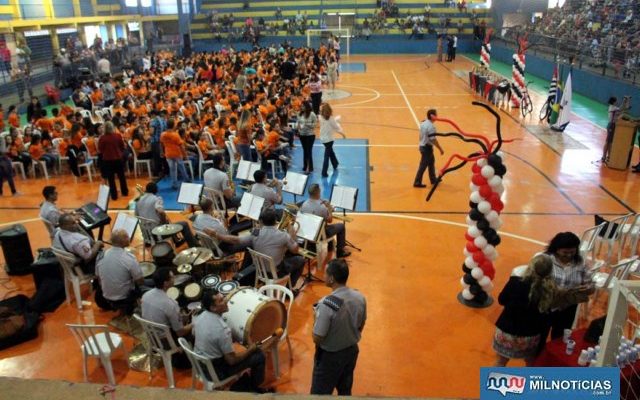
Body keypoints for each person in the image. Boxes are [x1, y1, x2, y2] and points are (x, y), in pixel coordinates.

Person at [193, 289, 279, 393]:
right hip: (216, 371)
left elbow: (194, 333)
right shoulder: (222, 330)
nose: (225, 301)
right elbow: (232, 361)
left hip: (199, 364)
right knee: (259, 355)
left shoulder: (200, 316)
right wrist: (251, 349)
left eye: (223, 298)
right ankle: (254, 388)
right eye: (221, 301)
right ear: (213, 308)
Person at [311, 259, 366, 395]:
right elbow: (361, 324)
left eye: (325, 274)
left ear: (331, 279)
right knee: (345, 390)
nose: (323, 276)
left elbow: (317, 338)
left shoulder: (326, 304)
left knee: (320, 394)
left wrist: (315, 318)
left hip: (330, 357)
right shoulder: (360, 297)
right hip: (351, 351)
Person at [493, 254, 556, 366]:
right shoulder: (549, 289)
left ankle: (496, 382)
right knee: (531, 362)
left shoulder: (515, 282)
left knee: (500, 362)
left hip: (507, 332)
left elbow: (502, 300)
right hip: (530, 335)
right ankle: (529, 383)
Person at [541, 232, 595, 341]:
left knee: (560, 337)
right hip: (546, 305)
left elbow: (590, 284)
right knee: (540, 334)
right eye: (565, 252)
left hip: (567, 307)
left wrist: (589, 288)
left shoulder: (581, 263)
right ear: (556, 249)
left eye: (572, 252)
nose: (569, 255)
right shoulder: (545, 260)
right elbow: (535, 281)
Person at [141, 268, 192, 369]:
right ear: (165, 283)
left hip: (151, 337)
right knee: (193, 331)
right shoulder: (171, 304)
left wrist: (181, 318)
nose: (174, 278)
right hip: (165, 341)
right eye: (172, 277)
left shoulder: (146, 295)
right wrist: (194, 323)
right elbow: (180, 332)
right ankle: (187, 360)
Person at [95, 229, 144, 314]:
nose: (129, 238)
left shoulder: (100, 256)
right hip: (125, 298)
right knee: (148, 284)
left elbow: (99, 279)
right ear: (123, 241)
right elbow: (140, 281)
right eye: (127, 236)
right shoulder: (129, 258)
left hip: (107, 297)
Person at [135, 181, 197, 247]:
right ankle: (194, 245)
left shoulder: (138, 201)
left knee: (166, 221)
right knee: (184, 224)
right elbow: (161, 211)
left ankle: (177, 241)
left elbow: (137, 215)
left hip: (146, 235)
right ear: (156, 191)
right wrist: (164, 223)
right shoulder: (157, 199)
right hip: (158, 233)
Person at [300, 184, 350, 258]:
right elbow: (330, 220)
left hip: (308, 233)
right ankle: (340, 252)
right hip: (319, 235)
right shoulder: (321, 207)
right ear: (318, 192)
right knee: (341, 226)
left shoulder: (304, 204)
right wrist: (329, 207)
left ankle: (326, 245)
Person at [413, 109, 444, 188]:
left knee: (431, 162)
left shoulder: (423, 123)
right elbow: (433, 139)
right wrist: (440, 148)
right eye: (436, 115)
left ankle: (433, 179)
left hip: (423, 146)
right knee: (423, 165)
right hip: (427, 148)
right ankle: (417, 182)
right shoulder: (431, 127)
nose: (437, 117)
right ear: (432, 116)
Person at [98, 121, 128, 200]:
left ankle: (114, 196)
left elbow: (100, 149)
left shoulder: (102, 138)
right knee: (122, 177)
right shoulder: (118, 136)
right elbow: (122, 146)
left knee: (111, 179)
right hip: (118, 158)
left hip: (107, 160)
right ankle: (125, 192)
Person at [161, 118, 190, 190]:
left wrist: (161, 152)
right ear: (173, 125)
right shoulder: (175, 135)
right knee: (181, 168)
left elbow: (161, 144)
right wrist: (185, 155)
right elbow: (181, 146)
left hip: (168, 154)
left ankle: (174, 184)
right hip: (177, 153)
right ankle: (186, 180)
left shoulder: (163, 134)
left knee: (172, 169)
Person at [318, 103, 346, 177]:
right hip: (329, 140)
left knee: (330, 152)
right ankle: (324, 172)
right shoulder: (330, 118)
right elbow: (336, 127)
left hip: (323, 139)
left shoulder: (320, 117)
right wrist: (342, 134)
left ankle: (335, 164)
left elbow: (331, 124)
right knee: (326, 156)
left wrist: (335, 120)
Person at [602, 96, 629, 163]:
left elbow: (621, 109)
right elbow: (622, 108)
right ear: (614, 101)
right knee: (608, 142)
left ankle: (609, 156)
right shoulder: (613, 108)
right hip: (611, 125)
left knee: (610, 142)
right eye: (616, 101)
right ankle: (604, 156)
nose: (617, 102)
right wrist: (625, 101)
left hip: (612, 125)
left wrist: (625, 101)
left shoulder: (613, 107)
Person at [297, 101, 317, 174]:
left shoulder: (312, 114)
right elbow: (298, 123)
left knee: (308, 151)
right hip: (302, 135)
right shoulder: (299, 114)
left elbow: (314, 125)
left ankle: (309, 167)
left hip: (310, 135)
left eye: (303, 106)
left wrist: (307, 124)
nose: (301, 107)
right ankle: (305, 166)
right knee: (305, 151)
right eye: (301, 106)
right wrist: (298, 129)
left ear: (307, 106)